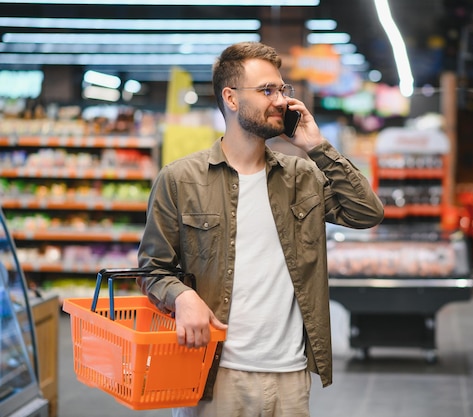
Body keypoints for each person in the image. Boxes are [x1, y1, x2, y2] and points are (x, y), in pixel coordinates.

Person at [137, 41, 384, 417]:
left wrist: (317, 146)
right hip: (214, 374)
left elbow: (366, 212)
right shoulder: (180, 179)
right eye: (267, 90)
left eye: (283, 90)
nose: (281, 100)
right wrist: (182, 297)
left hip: (290, 374)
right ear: (231, 99)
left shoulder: (301, 176)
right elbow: (152, 269)